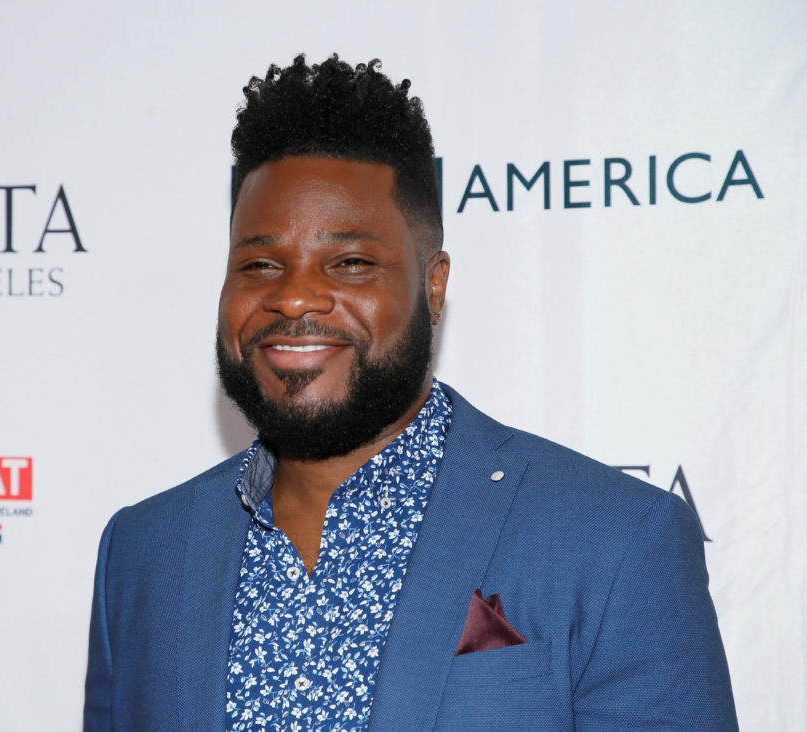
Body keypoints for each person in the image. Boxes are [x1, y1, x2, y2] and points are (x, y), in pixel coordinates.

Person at [83, 54, 738, 731]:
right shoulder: (142, 551)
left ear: (432, 286)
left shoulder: (616, 540)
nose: (294, 295)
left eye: (350, 263)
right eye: (259, 265)